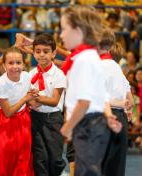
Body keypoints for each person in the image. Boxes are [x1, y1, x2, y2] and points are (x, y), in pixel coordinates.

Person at [59, 6, 112, 176]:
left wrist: (67, 127)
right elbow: (99, 95)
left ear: (78, 30)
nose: (61, 35)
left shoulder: (84, 60)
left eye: (64, 29)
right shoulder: (89, 57)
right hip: (92, 123)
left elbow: (84, 102)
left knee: (86, 172)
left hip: (87, 123)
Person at [0, 47, 35, 176]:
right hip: (3, 122)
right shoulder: (1, 84)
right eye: (10, 63)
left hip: (22, 118)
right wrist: (25, 99)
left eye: (18, 63)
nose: (15, 67)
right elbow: (8, 112)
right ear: (4, 65)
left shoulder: (26, 76)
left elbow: (29, 96)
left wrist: (33, 99)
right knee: (3, 157)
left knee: (22, 155)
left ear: (23, 64)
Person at [29, 33, 67, 176]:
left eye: (46, 51)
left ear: (54, 53)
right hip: (35, 119)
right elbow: (29, 99)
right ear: (33, 53)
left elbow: (54, 101)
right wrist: (30, 100)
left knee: (55, 158)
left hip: (53, 120)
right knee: (39, 159)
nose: (42, 55)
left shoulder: (59, 74)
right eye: (38, 52)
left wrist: (35, 97)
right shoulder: (31, 74)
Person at [98, 28, 133, 176]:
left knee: (100, 166)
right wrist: (126, 108)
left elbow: (99, 98)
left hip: (104, 117)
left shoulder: (97, 66)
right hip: (121, 119)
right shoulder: (118, 69)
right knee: (117, 167)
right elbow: (130, 100)